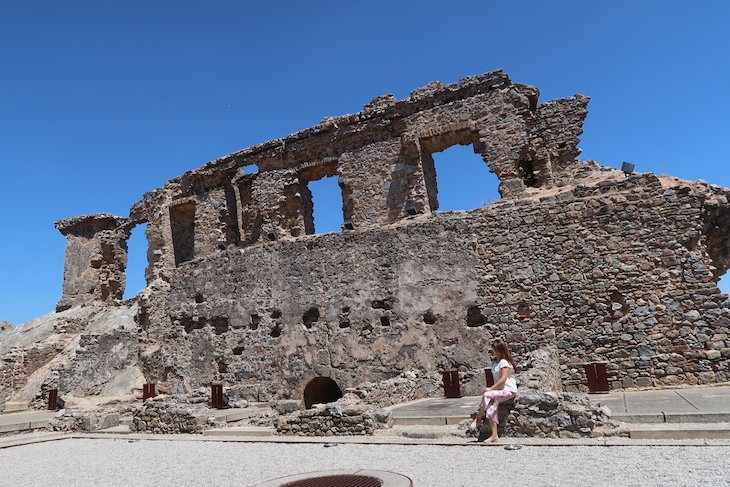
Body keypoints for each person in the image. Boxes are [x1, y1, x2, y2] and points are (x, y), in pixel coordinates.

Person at [475, 338, 517, 442]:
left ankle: (477, 419)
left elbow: (503, 378)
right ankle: (494, 435)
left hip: (508, 390)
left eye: (493, 349)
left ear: (498, 349)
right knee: (490, 408)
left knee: (486, 395)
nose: (492, 351)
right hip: (499, 391)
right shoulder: (495, 362)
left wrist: (491, 388)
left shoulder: (504, 362)